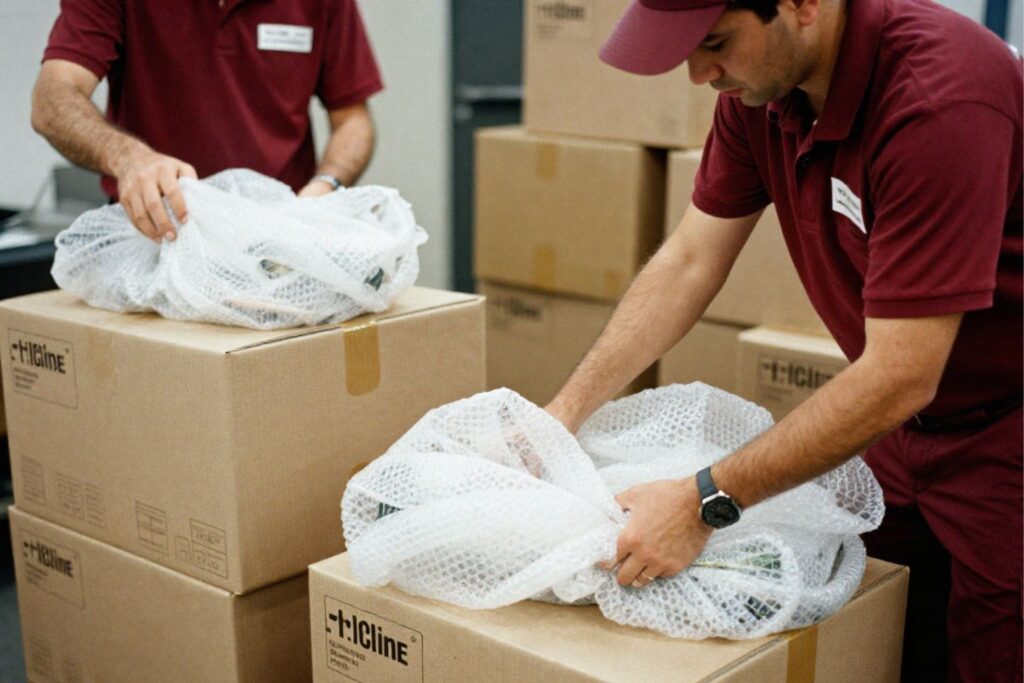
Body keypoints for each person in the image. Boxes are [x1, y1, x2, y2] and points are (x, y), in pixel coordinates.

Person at [543, 0, 1022, 681]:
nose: (698, 72)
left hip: (1006, 431)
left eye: (714, 41)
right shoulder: (763, 95)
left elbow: (901, 372)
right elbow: (689, 261)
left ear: (804, 5)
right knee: (874, 630)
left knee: (994, 654)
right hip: (900, 426)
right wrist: (562, 413)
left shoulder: (938, 99)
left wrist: (705, 500)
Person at [31, 0, 383, 242]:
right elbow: (53, 99)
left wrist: (326, 185)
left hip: (281, 234)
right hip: (156, 233)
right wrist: (129, 158)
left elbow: (352, 119)